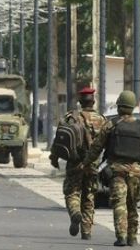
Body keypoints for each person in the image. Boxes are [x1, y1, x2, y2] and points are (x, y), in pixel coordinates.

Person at [81, 90, 140, 247]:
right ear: (132, 107)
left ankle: (121, 236)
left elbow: (97, 147)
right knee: (132, 204)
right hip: (135, 171)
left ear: (119, 107)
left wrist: (86, 163)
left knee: (119, 203)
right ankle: (132, 237)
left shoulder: (111, 125)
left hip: (116, 171)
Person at [49, 87, 106, 240]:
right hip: (93, 165)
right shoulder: (102, 120)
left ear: (80, 101)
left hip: (74, 163)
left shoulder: (71, 118)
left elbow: (59, 139)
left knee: (72, 192)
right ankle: (86, 231)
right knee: (89, 197)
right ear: (93, 101)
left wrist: (54, 158)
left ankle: (75, 212)